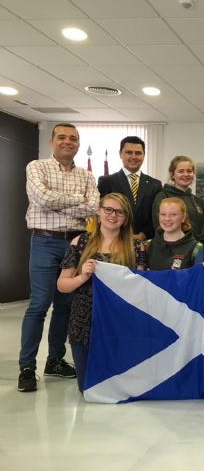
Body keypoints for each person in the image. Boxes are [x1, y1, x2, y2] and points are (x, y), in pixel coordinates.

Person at [19, 122, 100, 393]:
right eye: (62, 137)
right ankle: (27, 367)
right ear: (52, 141)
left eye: (73, 138)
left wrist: (60, 200)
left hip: (76, 243)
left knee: (65, 305)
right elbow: (41, 198)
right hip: (45, 241)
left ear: (78, 143)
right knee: (39, 304)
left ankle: (55, 360)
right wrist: (77, 200)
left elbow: (93, 206)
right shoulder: (36, 167)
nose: (68, 142)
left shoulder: (86, 175)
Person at [57, 193, 146, 391]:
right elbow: (62, 285)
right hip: (84, 323)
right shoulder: (80, 242)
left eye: (120, 212)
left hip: (121, 322)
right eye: (108, 209)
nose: (113, 215)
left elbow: (140, 287)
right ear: (98, 211)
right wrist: (82, 277)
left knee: (119, 388)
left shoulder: (135, 246)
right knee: (88, 388)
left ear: (126, 218)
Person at [97, 135, 162, 241]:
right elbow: (103, 213)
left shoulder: (155, 185)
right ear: (120, 154)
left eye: (138, 153)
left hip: (146, 242)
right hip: (114, 240)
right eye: (129, 152)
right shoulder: (106, 182)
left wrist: (144, 235)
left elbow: (157, 215)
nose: (134, 157)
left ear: (144, 155)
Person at [152, 156, 204, 243]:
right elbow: (160, 226)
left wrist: (198, 245)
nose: (186, 174)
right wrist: (185, 245)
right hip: (172, 248)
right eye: (181, 171)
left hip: (198, 248)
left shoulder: (198, 201)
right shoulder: (163, 197)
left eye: (189, 171)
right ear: (172, 174)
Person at [146, 198, 202, 270]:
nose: (167, 219)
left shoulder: (196, 248)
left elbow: (199, 275)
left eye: (173, 214)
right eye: (163, 214)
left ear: (183, 217)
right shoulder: (148, 246)